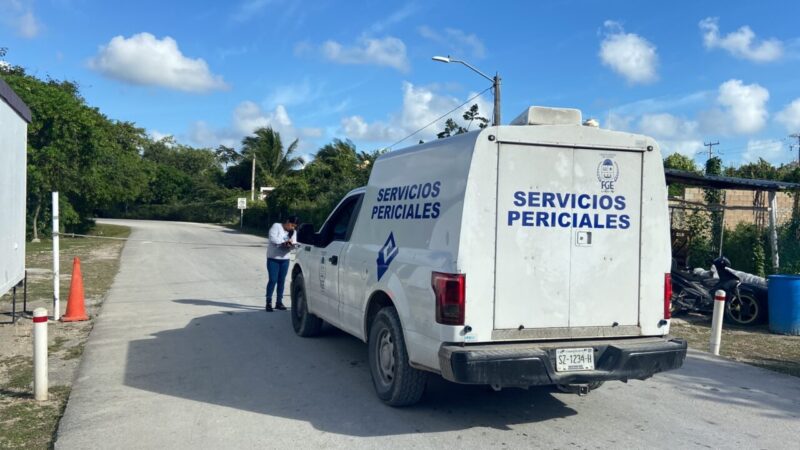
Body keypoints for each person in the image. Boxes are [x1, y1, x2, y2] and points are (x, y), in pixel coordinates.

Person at [265, 216, 299, 312]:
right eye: (292, 225)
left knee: (282, 281)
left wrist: (292, 245)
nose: (292, 228)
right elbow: (273, 239)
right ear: (287, 221)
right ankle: (268, 302)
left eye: (294, 226)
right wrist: (284, 242)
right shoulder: (276, 226)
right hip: (273, 258)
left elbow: (294, 245)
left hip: (285, 259)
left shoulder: (293, 232)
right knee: (273, 280)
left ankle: (279, 302)